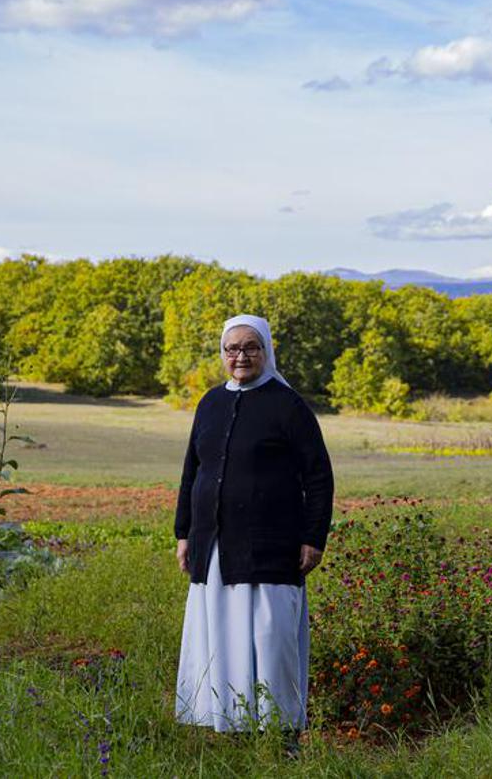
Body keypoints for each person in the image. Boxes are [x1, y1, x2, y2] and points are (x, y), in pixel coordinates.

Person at [174, 314, 334, 735]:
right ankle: (225, 723)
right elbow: (193, 470)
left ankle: (279, 733)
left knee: (270, 638)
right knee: (219, 638)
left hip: (272, 548)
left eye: (250, 347)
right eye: (232, 348)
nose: (240, 356)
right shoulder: (209, 403)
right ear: (222, 354)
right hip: (214, 546)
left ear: (266, 351)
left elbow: (318, 475)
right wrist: (183, 533)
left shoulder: (289, 406)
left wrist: (314, 539)